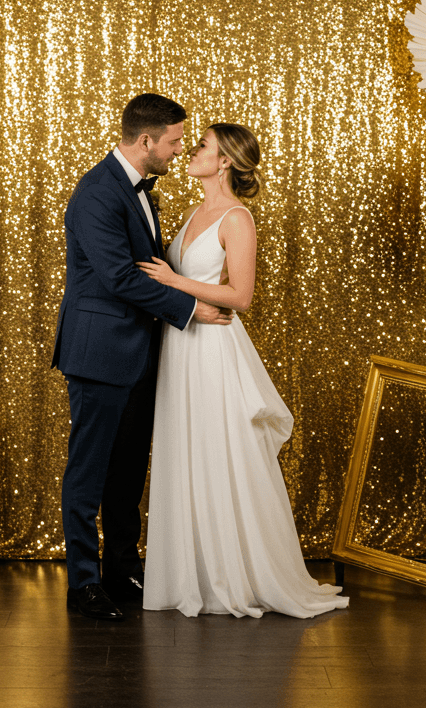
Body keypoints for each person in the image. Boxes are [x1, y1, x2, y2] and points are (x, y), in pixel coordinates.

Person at [138, 123, 349, 619]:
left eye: (203, 145)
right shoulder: (193, 211)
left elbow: (242, 296)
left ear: (226, 160)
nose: (192, 151)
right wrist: (173, 288)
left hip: (212, 347)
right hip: (182, 343)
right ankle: (191, 573)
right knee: (186, 446)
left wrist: (174, 280)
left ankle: (237, 573)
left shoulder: (237, 218)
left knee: (219, 448)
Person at [52, 94, 234, 621]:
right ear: (146, 140)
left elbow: (150, 265)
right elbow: (120, 278)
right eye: (176, 141)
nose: (181, 150)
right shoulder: (96, 193)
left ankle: (121, 568)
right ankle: (83, 584)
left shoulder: (139, 191)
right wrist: (191, 309)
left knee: (128, 469)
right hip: (98, 353)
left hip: (138, 352)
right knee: (89, 470)